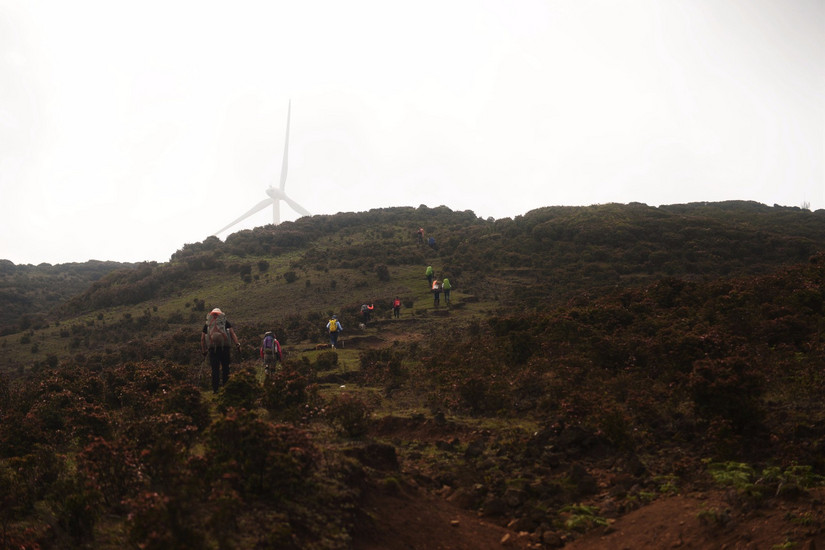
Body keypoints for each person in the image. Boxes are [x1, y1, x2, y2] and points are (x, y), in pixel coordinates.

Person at [201, 307, 241, 392]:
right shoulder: (225, 322)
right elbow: (232, 333)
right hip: (225, 349)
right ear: (220, 314)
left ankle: (215, 389)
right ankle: (226, 387)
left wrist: (204, 351)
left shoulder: (208, 324)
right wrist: (237, 344)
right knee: (225, 368)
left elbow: (202, 339)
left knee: (215, 369)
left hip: (213, 350)